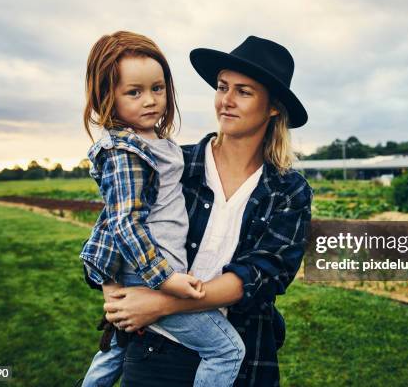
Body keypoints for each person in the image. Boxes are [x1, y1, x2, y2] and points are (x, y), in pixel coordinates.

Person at [102, 36, 313, 387]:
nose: (226, 101)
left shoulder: (289, 191)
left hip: (242, 355)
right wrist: (113, 291)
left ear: (273, 106)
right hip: (156, 350)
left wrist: (161, 304)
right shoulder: (172, 163)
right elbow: (115, 226)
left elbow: (262, 276)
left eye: (243, 92)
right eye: (222, 87)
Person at [79, 30, 245, 387]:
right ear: (107, 97)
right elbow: (122, 221)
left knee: (115, 350)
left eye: (158, 88)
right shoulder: (125, 153)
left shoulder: (156, 143)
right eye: (134, 92)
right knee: (227, 350)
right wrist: (165, 280)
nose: (150, 101)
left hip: (152, 271)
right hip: (153, 274)